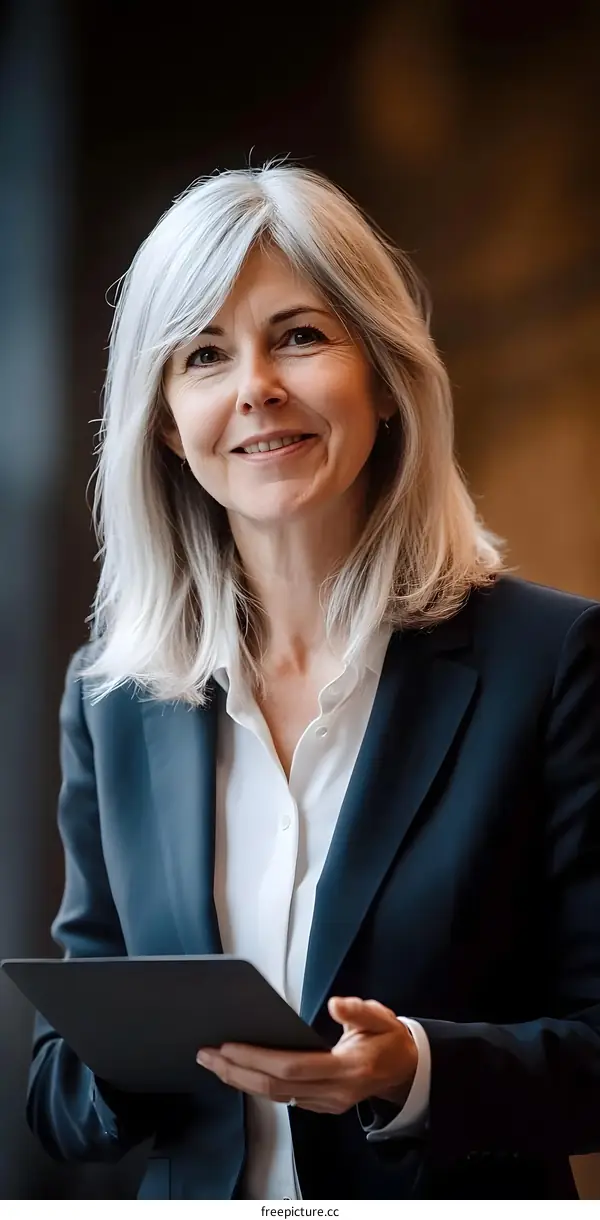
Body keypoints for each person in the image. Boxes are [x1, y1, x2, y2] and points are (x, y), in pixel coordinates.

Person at [26, 162, 600, 1201]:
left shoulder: (552, 662)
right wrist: (132, 1061)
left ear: (383, 375)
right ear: (165, 420)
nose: (255, 386)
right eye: (205, 353)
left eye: (299, 334)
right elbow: (56, 1098)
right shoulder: (111, 696)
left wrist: (415, 1069)